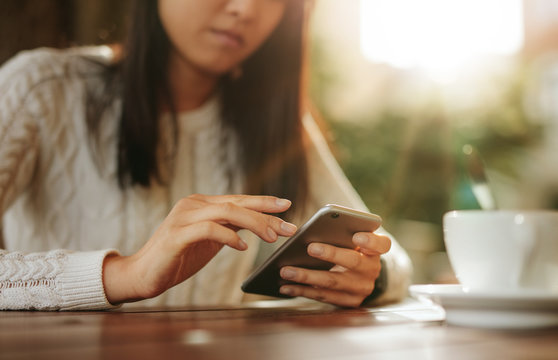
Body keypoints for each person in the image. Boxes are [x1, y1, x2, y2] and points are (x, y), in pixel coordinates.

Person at [0, 0, 411, 310]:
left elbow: (391, 255)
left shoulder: (276, 125)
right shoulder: (40, 89)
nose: (246, 9)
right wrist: (125, 274)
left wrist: (369, 278)